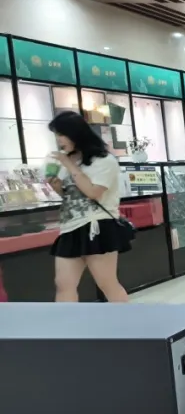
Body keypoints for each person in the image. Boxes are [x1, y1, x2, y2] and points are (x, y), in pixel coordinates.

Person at [46, 110, 130, 303]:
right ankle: (68, 322)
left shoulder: (104, 161)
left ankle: (127, 319)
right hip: (70, 226)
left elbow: (93, 192)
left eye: (61, 134)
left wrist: (70, 166)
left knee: (107, 283)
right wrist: (57, 187)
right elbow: (73, 197)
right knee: (63, 283)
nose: (58, 140)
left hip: (97, 226)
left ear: (75, 133)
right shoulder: (68, 161)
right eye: (56, 135)